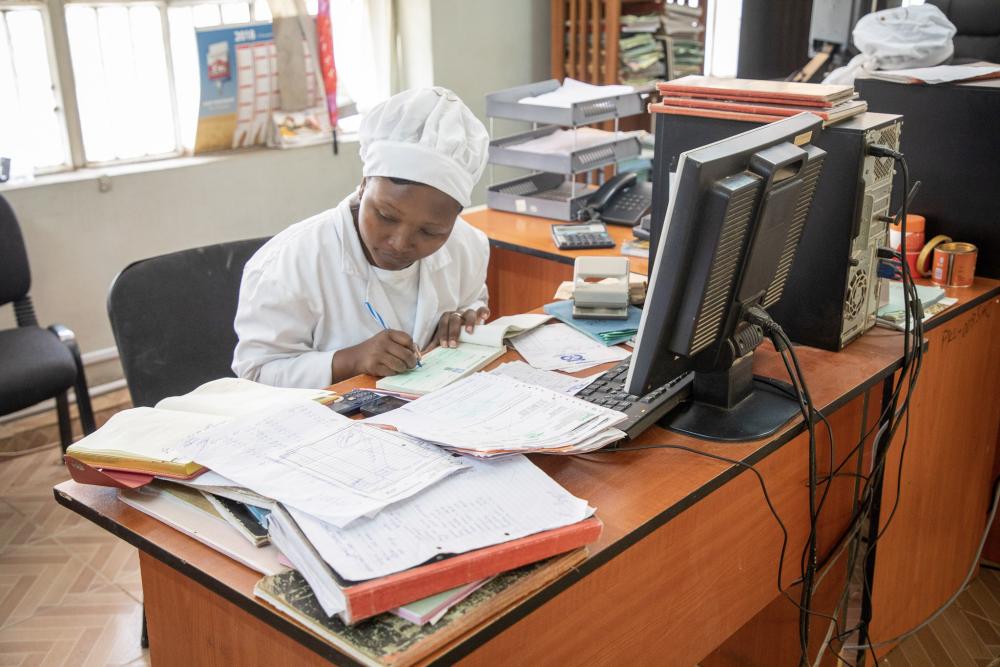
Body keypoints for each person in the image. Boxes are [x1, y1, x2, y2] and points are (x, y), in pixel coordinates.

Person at [232, 87, 491, 388]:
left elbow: (474, 300)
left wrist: (466, 318)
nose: (400, 242)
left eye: (430, 232)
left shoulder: (467, 246)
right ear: (364, 184)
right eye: (385, 216)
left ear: (455, 218)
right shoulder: (289, 264)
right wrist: (350, 360)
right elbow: (255, 374)